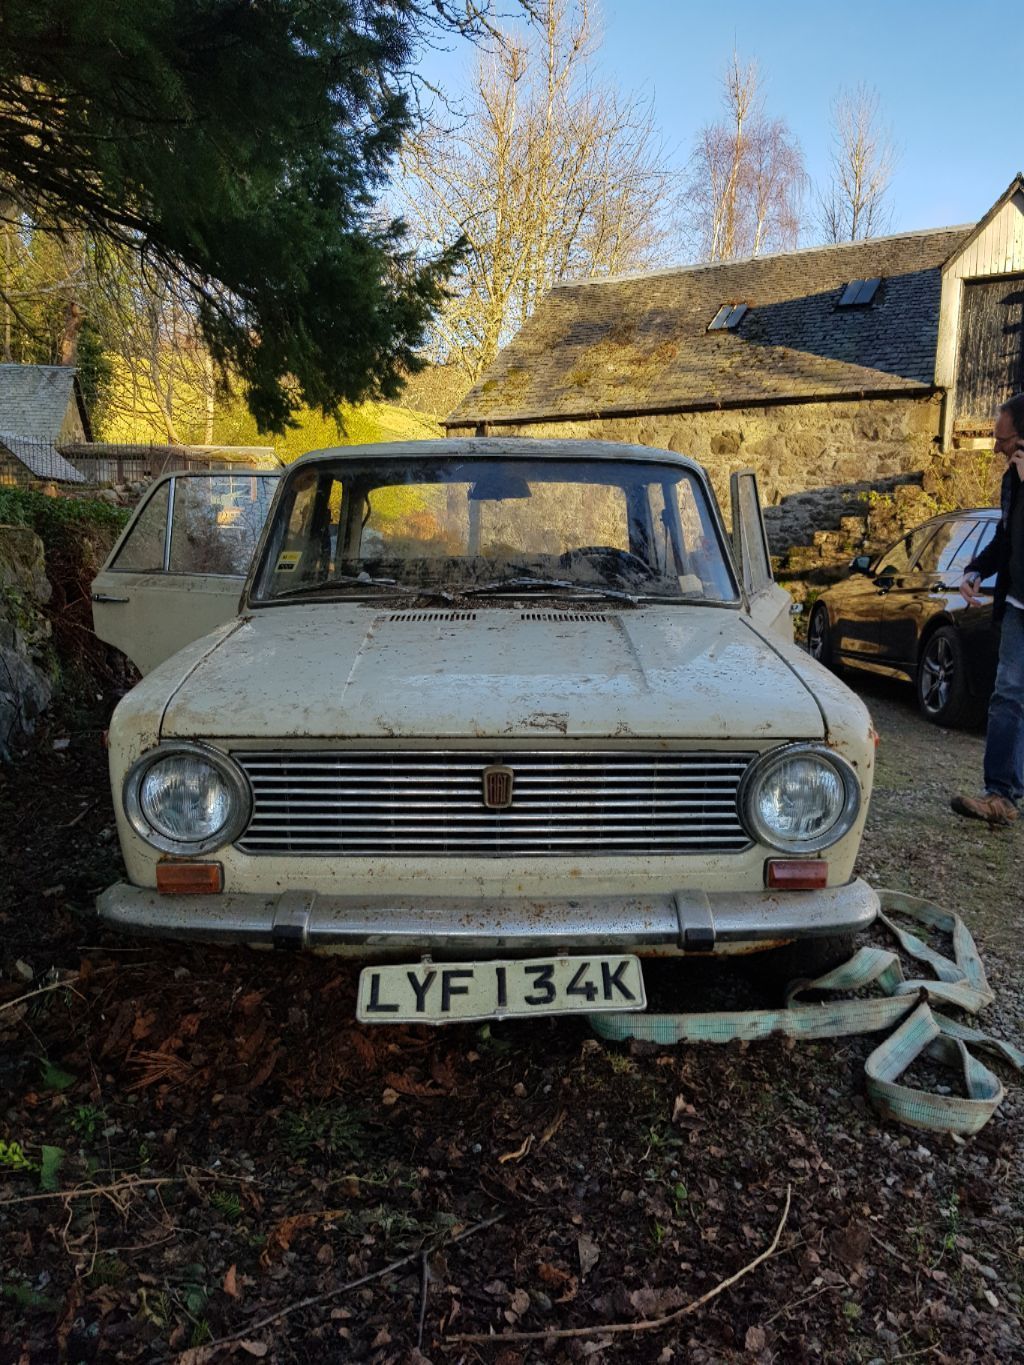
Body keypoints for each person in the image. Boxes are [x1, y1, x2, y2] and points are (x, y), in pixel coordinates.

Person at [951, 392, 1024, 826]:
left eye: (1003, 439)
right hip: (1017, 606)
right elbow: (1005, 539)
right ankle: (1001, 795)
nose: (995, 447)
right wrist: (976, 569)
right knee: (1008, 696)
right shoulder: (1011, 481)